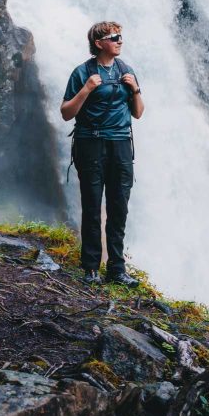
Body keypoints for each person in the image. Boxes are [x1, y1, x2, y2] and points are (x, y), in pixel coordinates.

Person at [61, 21, 144, 286]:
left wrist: (135, 89)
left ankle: (117, 269)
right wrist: (86, 89)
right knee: (92, 205)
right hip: (91, 144)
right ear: (99, 43)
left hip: (120, 145)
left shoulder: (126, 71)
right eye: (114, 37)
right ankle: (91, 267)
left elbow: (138, 113)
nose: (120, 41)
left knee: (119, 207)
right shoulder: (82, 72)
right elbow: (66, 113)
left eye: (121, 37)